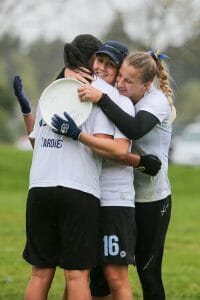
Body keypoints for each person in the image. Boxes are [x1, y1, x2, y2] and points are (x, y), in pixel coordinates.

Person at [13, 36, 161, 300]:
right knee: (77, 275)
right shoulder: (89, 95)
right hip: (80, 191)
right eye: (99, 61)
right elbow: (107, 147)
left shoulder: (60, 92)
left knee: (41, 274)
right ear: (92, 61)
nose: (101, 68)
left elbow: (41, 145)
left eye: (108, 64)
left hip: (44, 189)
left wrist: (32, 114)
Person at [74, 50, 175, 300]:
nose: (120, 83)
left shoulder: (156, 101)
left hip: (152, 200)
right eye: (120, 76)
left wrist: (101, 98)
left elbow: (135, 129)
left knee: (148, 271)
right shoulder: (120, 97)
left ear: (146, 84)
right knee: (104, 272)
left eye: (129, 81)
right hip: (121, 198)